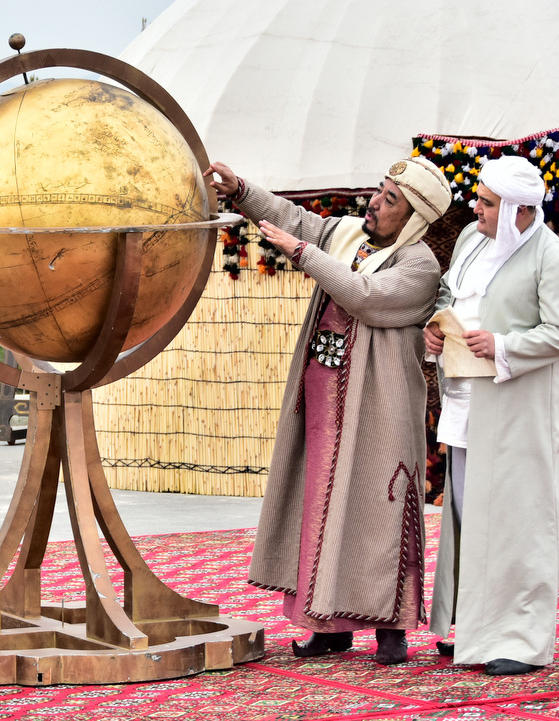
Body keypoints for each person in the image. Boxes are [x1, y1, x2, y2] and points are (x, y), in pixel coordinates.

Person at [205, 156, 452, 665]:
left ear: (413, 218)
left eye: (390, 201)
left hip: (378, 408)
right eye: (379, 192)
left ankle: (391, 629)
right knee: (320, 505)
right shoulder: (347, 236)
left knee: (379, 510)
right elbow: (298, 221)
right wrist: (242, 188)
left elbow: (362, 294)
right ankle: (328, 626)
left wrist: (302, 253)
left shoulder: (420, 266)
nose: (375, 205)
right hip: (322, 396)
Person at [425, 155, 559, 675]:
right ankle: (469, 627)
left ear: (519, 211)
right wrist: (435, 325)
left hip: (520, 409)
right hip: (469, 400)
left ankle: (518, 639)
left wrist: (504, 344)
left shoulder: (553, 258)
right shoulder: (472, 241)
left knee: (517, 520)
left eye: (488, 205)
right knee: (471, 512)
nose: (477, 211)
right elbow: (451, 292)